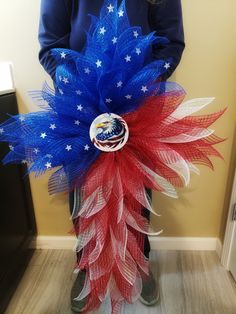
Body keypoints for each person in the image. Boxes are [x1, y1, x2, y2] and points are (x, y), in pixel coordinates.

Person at [38, 0, 185, 312]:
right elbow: (51, 46)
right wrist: (79, 87)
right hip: (79, 107)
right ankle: (86, 267)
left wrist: (140, 84)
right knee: (83, 195)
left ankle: (140, 262)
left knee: (137, 191)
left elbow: (172, 42)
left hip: (138, 106)